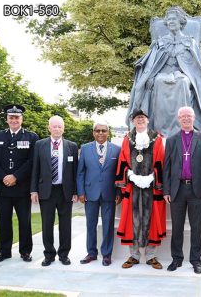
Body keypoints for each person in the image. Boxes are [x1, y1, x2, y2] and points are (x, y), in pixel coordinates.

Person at [126, 6, 201, 138]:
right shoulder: (160, 43)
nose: (171, 21)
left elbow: (196, 67)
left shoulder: (190, 42)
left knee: (182, 82)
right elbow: (152, 64)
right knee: (159, 82)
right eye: (169, 19)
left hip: (184, 75)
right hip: (162, 74)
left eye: (174, 19)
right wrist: (149, 77)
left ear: (181, 22)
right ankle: (160, 131)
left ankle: (182, 130)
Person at [163, 106, 201, 273]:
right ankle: (176, 259)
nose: (186, 119)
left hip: (196, 190)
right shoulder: (171, 140)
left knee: (196, 228)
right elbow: (167, 168)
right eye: (182, 116)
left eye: (188, 116)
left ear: (194, 118)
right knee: (177, 227)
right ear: (178, 119)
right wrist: (166, 190)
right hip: (177, 190)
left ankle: (196, 260)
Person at [115, 108, 166, 269]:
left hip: (152, 188)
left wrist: (152, 177)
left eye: (143, 117)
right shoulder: (127, 139)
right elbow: (122, 159)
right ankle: (134, 255)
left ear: (148, 120)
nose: (140, 120)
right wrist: (131, 176)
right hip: (133, 187)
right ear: (133, 121)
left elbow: (161, 160)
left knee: (153, 221)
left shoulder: (157, 139)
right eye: (137, 118)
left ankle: (151, 256)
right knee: (132, 220)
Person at [30, 115, 78, 267]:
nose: (57, 129)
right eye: (54, 126)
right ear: (49, 128)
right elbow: (35, 169)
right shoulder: (40, 145)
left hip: (65, 191)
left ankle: (64, 255)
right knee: (47, 224)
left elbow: (75, 171)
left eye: (60, 126)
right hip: (46, 191)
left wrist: (76, 191)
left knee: (65, 225)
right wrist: (33, 190)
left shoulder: (72, 146)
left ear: (63, 128)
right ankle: (49, 254)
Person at [0, 104, 38, 263]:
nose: (14, 120)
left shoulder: (31, 137)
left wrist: (15, 176)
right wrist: (4, 177)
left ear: (22, 119)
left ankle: (25, 251)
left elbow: (32, 161)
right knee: (4, 220)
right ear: (7, 119)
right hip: (2, 187)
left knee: (24, 221)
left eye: (17, 117)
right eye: (11, 117)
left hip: (22, 187)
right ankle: (4, 251)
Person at [77, 122, 120, 266]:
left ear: (108, 132)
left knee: (108, 224)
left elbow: (119, 173)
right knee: (91, 224)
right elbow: (80, 172)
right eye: (97, 131)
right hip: (90, 193)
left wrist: (119, 191)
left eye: (103, 130)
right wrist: (81, 192)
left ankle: (106, 255)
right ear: (93, 132)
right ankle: (91, 253)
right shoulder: (85, 149)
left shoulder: (116, 150)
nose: (100, 133)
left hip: (109, 193)